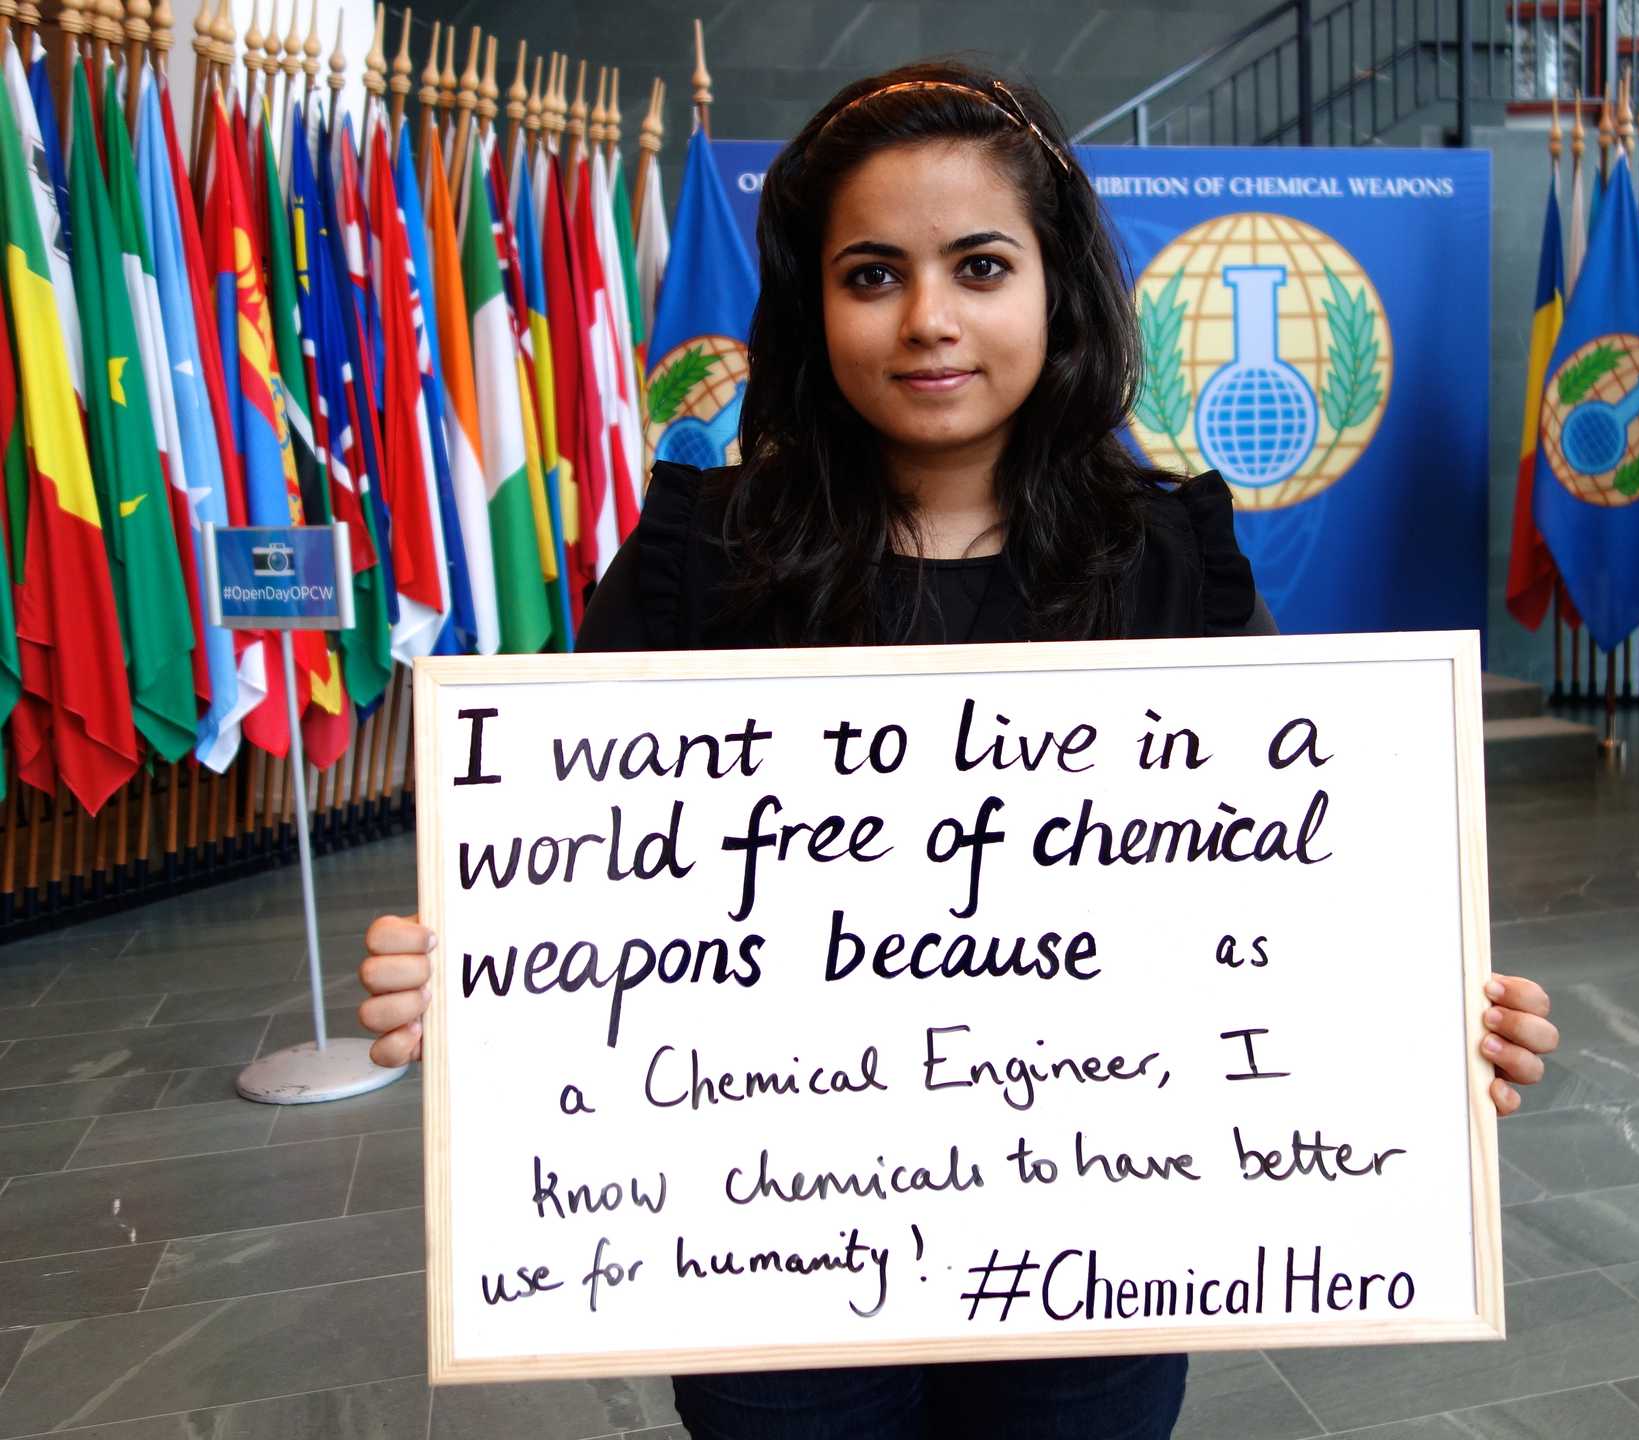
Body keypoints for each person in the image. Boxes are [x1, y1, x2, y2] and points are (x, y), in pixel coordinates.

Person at [359, 59, 1560, 1440]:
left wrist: (1422, 1021)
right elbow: (568, 889)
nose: (928, 319)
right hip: (762, 1248)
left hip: (1104, 1238)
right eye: (872, 275)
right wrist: (461, 970)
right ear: (813, 308)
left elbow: (1295, 891)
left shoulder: (1175, 558)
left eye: (980, 265)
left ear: (1059, 287)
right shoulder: (702, 557)